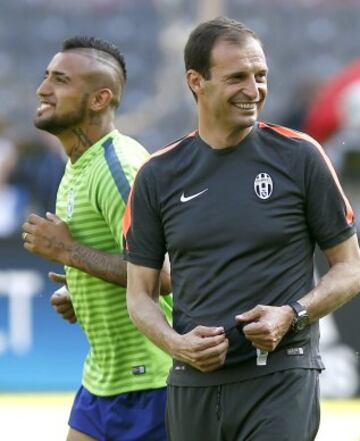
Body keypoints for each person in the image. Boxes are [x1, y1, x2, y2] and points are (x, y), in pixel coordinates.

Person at [123, 17, 360, 441]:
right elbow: (139, 294)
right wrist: (175, 345)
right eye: (237, 78)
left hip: (282, 376)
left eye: (260, 76)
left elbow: (350, 268)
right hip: (193, 381)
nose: (253, 91)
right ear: (196, 81)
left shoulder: (301, 156)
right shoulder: (157, 175)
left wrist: (292, 315)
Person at [22, 36, 172, 441]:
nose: (43, 89)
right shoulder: (77, 166)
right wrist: (82, 290)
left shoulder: (118, 165)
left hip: (150, 382)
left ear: (99, 98)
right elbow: (119, 256)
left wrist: (66, 251)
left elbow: (165, 274)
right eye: (46, 77)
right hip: (103, 379)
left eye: (60, 80)